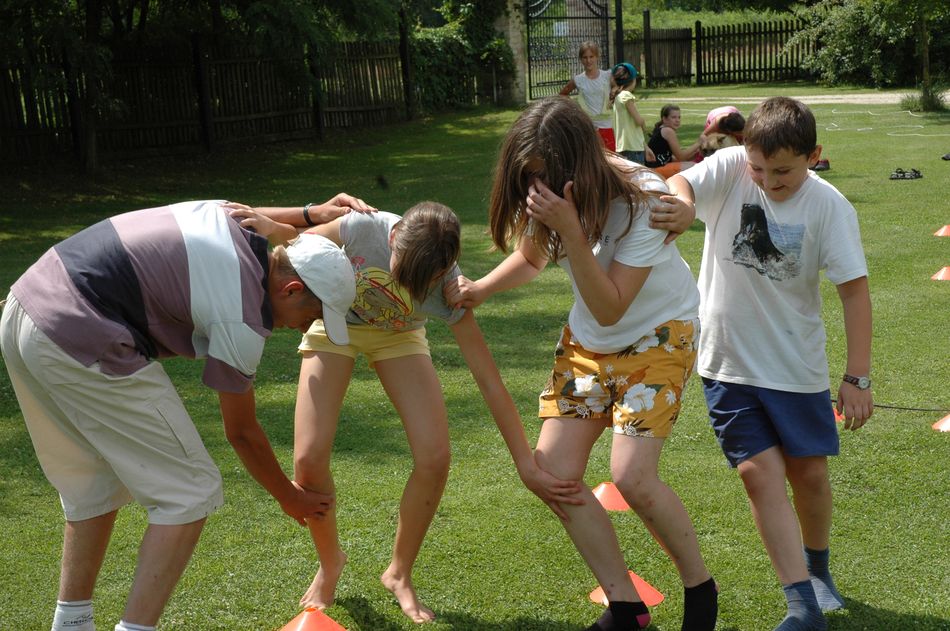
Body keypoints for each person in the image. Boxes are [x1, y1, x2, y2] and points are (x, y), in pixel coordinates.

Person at [0, 195, 368, 631]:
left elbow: (264, 222)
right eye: (312, 315)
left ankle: (71, 624)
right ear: (291, 290)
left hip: (24, 308)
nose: (304, 328)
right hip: (78, 327)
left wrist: (305, 216)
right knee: (190, 491)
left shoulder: (237, 222)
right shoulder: (243, 317)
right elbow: (241, 431)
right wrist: (289, 496)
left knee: (93, 485)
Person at [228, 201, 583, 624]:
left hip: (399, 336)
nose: (410, 285)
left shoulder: (449, 285)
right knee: (308, 459)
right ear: (394, 238)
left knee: (435, 457)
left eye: (422, 282)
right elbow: (302, 254)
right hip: (333, 322)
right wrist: (273, 226)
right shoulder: (363, 228)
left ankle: (399, 572)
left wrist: (525, 463)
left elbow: (489, 380)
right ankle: (329, 562)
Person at [445, 96, 717, 631]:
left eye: (543, 177)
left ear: (578, 163)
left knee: (632, 477)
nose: (536, 189)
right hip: (589, 343)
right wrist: (481, 288)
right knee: (551, 475)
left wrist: (571, 231)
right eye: (528, 178)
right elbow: (531, 257)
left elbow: (612, 303)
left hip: (658, 335)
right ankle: (625, 607)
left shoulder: (644, 200)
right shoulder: (548, 191)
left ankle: (699, 590)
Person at [663, 96, 874, 631]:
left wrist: (857, 376)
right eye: (759, 168)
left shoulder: (829, 207)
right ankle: (802, 606)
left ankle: (818, 570)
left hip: (795, 367)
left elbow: (854, 292)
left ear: (813, 156)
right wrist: (683, 205)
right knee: (759, 476)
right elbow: (680, 182)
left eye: (783, 172)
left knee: (810, 476)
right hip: (726, 365)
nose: (768, 181)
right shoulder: (733, 167)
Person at [561, 41, 616, 151]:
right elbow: (562, 94)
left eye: (591, 57)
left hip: (606, 125)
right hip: (587, 127)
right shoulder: (578, 79)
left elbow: (619, 88)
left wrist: (614, 92)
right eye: (585, 57)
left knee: (610, 158)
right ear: (581, 59)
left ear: (597, 57)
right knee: (589, 158)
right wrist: (575, 107)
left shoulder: (607, 75)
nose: (588, 60)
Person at [610, 62, 653, 165]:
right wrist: (643, 123)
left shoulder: (617, 97)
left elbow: (632, 129)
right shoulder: (626, 95)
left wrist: (645, 147)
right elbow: (638, 121)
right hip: (634, 150)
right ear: (633, 80)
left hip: (623, 147)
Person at [646, 104, 703, 179]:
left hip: (654, 168)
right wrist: (699, 143)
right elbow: (681, 157)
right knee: (696, 167)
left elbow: (675, 158)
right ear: (664, 119)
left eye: (679, 117)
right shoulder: (668, 131)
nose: (677, 120)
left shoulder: (662, 129)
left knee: (693, 165)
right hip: (654, 170)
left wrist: (696, 153)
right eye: (673, 117)